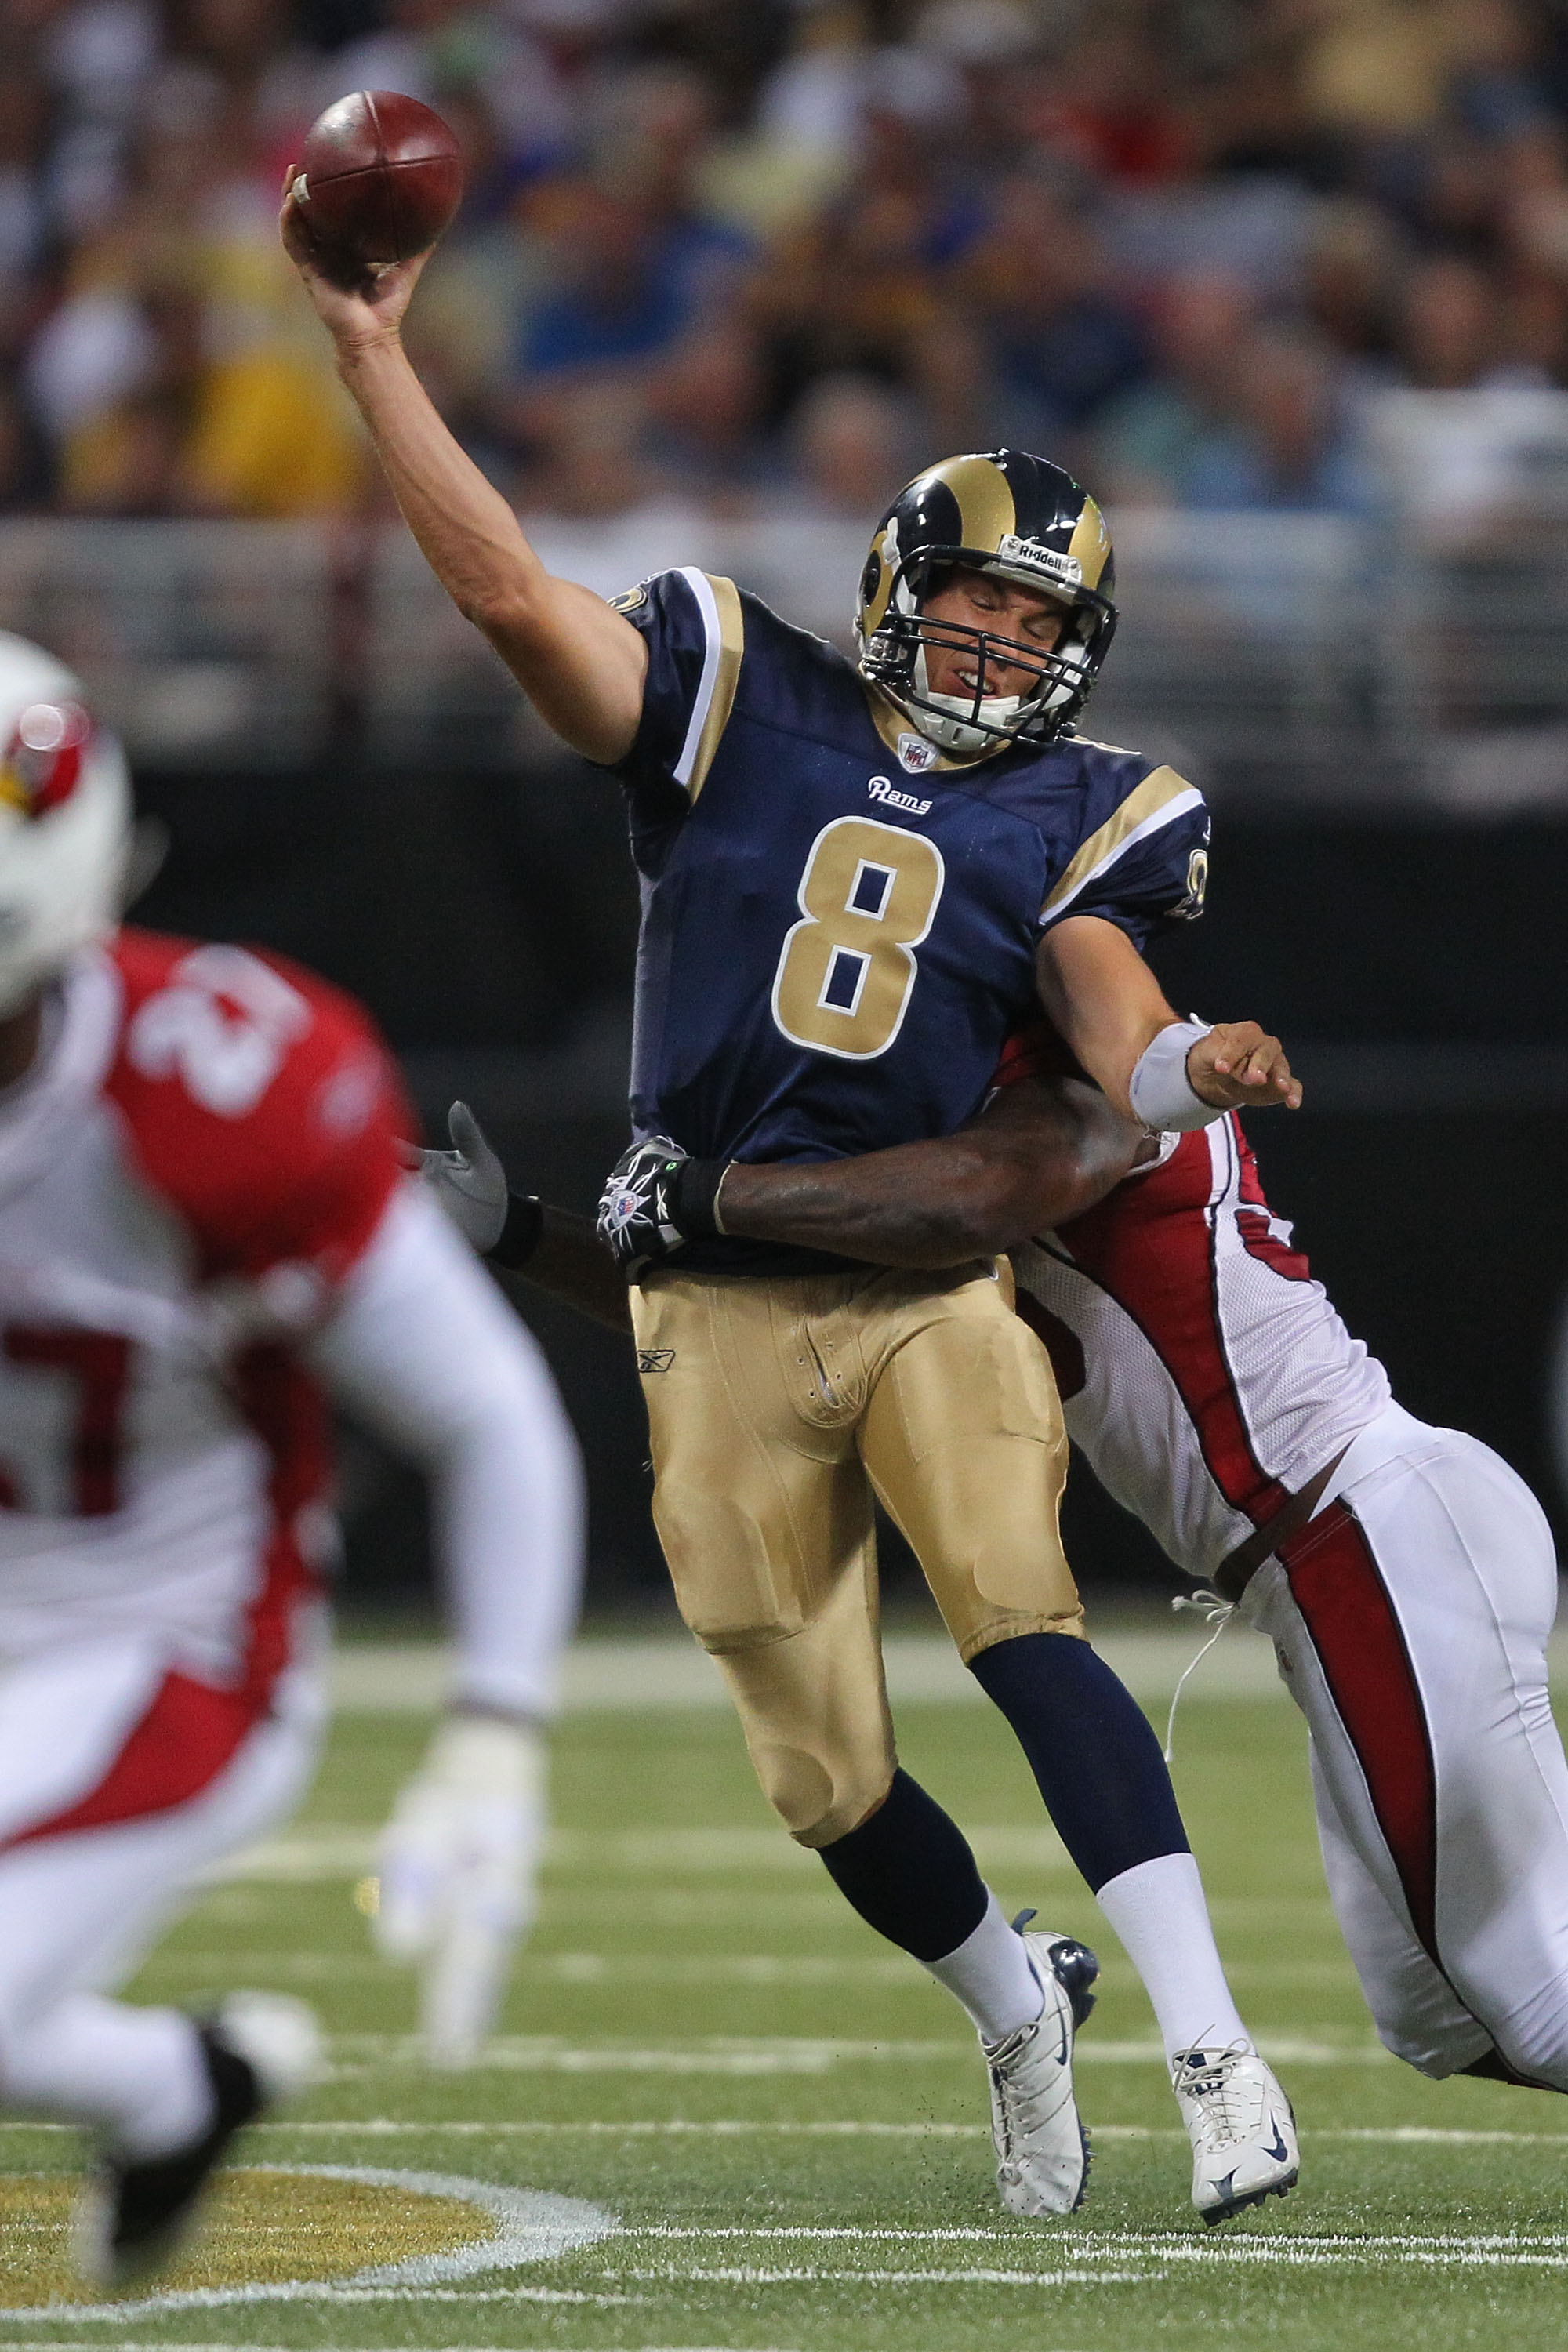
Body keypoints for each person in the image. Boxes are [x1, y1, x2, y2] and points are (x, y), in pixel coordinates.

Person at [282, 185, 1305, 2224]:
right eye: (973, 598)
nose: (995, 636)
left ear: (1073, 649)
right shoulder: (742, 686)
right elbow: (511, 606)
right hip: (727, 1292)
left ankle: (1215, 2053)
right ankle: (1019, 1998)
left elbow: (1117, 1030)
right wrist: (375, 353)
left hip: (924, 1267)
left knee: (1020, 1614)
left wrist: (1195, 1069)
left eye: (1035, 616)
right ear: (889, 586)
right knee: (821, 1773)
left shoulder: (1082, 804)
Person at [428, 1035, 1568, 2106]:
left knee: (1537, 1999)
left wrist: (711, 1193)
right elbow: (752, 1331)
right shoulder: (995, 1109)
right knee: (1436, 2022)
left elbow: (958, 1197)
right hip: (1346, 1557)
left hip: (1366, 1531)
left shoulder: (1069, 1092)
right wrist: (525, 1235)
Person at [0, 633, 584, 2286]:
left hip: (158, 1640)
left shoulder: (209, 1091)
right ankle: (182, 2084)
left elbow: (482, 1413)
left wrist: (494, 1740)